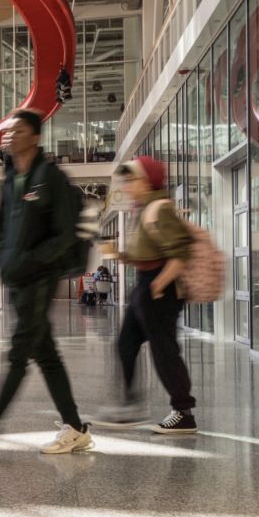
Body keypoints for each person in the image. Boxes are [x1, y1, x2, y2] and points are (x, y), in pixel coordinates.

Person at [0, 110, 92, 454]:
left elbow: (65, 234)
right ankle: (76, 427)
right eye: (7, 131)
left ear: (35, 137)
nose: (8, 136)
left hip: (40, 279)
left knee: (18, 354)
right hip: (17, 280)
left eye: (17, 130)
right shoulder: (10, 177)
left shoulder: (50, 177)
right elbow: (3, 229)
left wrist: (33, 261)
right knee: (47, 356)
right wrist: (6, 264)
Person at [96, 156, 197, 433]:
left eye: (133, 180)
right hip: (145, 285)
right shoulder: (142, 209)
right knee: (126, 344)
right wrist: (119, 254)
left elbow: (181, 253)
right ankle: (130, 406)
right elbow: (145, 253)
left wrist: (158, 284)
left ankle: (183, 411)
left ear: (147, 181)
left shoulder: (160, 208)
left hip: (159, 288)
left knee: (163, 350)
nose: (128, 185)